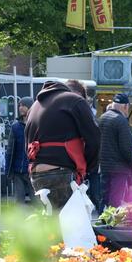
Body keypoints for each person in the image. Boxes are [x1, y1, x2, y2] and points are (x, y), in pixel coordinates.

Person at [24, 79, 99, 212]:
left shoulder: (34, 106)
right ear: (79, 94)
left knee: (50, 223)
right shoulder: (75, 101)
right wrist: (88, 168)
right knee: (70, 226)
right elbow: (94, 139)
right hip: (62, 172)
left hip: (36, 175)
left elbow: (27, 145)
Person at [95, 93, 132, 211]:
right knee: (115, 201)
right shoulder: (121, 121)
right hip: (119, 168)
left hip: (104, 166)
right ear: (125, 106)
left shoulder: (102, 118)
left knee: (104, 198)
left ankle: (101, 223)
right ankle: (111, 226)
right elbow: (126, 148)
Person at [5, 101, 31, 203]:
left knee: (37, 202)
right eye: (20, 105)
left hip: (32, 171)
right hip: (17, 171)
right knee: (18, 203)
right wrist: (8, 170)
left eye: (24, 105)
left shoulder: (36, 124)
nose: (21, 108)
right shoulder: (15, 127)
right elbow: (10, 150)